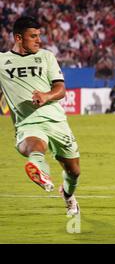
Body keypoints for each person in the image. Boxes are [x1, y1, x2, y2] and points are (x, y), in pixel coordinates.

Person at [0, 16, 80, 216]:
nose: (38, 40)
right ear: (18, 38)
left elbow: (60, 88)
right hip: (28, 123)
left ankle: (68, 195)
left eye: (39, 36)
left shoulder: (46, 57)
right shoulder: (2, 62)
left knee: (74, 171)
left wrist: (46, 96)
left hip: (57, 121)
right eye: (33, 36)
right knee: (35, 146)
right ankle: (41, 172)